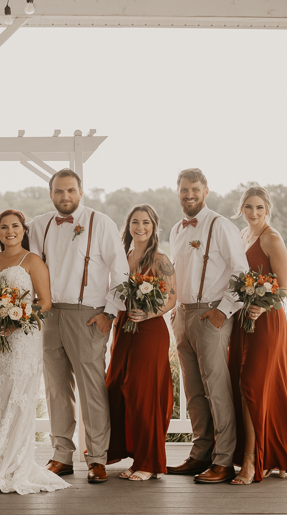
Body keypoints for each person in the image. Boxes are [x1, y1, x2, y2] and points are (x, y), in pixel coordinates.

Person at [29, 168, 129, 484]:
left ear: (81, 192)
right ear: (51, 194)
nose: (65, 196)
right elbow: (18, 255)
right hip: (49, 314)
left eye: (71, 190)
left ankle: (97, 458)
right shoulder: (39, 225)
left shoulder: (102, 223)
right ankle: (62, 455)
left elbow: (121, 272)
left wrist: (109, 314)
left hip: (88, 316)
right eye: (59, 191)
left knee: (92, 390)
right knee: (56, 390)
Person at [0, 210, 70, 495]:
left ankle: (11, 461)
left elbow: (45, 302)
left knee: (15, 395)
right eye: (3, 227)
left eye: (15, 226)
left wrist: (18, 318)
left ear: (24, 230)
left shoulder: (33, 261)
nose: (9, 231)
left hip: (22, 338)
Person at [167, 168, 249, 484]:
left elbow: (240, 273)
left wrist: (223, 312)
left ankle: (224, 461)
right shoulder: (176, 230)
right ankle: (200, 454)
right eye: (185, 190)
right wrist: (174, 311)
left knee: (216, 389)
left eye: (195, 189)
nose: (190, 195)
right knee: (193, 392)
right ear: (178, 192)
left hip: (211, 315)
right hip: (183, 316)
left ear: (206, 191)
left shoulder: (221, 226)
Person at [228, 186, 287, 484]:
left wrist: (260, 303)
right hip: (243, 322)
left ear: (267, 209)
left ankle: (251, 461)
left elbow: (283, 289)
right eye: (248, 207)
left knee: (253, 385)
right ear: (241, 209)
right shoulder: (242, 236)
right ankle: (272, 455)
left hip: (267, 323)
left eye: (259, 207)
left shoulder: (272, 238)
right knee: (242, 382)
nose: (254, 213)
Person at [105, 204, 176, 481]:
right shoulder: (123, 257)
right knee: (119, 387)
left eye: (146, 222)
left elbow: (171, 297)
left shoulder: (160, 259)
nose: (140, 227)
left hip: (149, 330)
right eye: (135, 222)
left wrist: (148, 313)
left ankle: (150, 462)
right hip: (123, 327)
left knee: (144, 392)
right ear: (128, 226)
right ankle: (133, 456)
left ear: (153, 226)